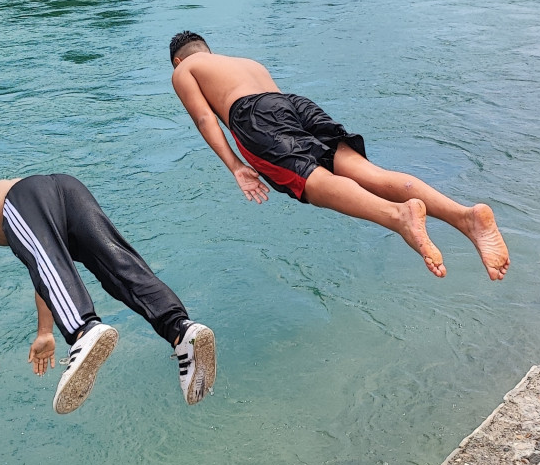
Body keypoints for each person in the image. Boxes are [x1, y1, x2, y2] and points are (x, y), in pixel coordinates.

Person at [168, 31, 510, 281]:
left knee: (314, 183)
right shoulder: (245, 63)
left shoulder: (184, 69)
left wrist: (236, 167)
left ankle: (397, 217)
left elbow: (204, 118)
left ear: (180, 59)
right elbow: (273, 103)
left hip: (254, 115)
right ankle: (465, 217)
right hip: (293, 103)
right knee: (368, 174)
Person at [0, 174, 216, 414]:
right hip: (68, 187)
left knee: (55, 272)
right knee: (119, 266)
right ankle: (181, 330)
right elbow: (44, 270)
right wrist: (44, 332)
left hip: (28, 198)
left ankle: (83, 329)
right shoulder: (4, 187)